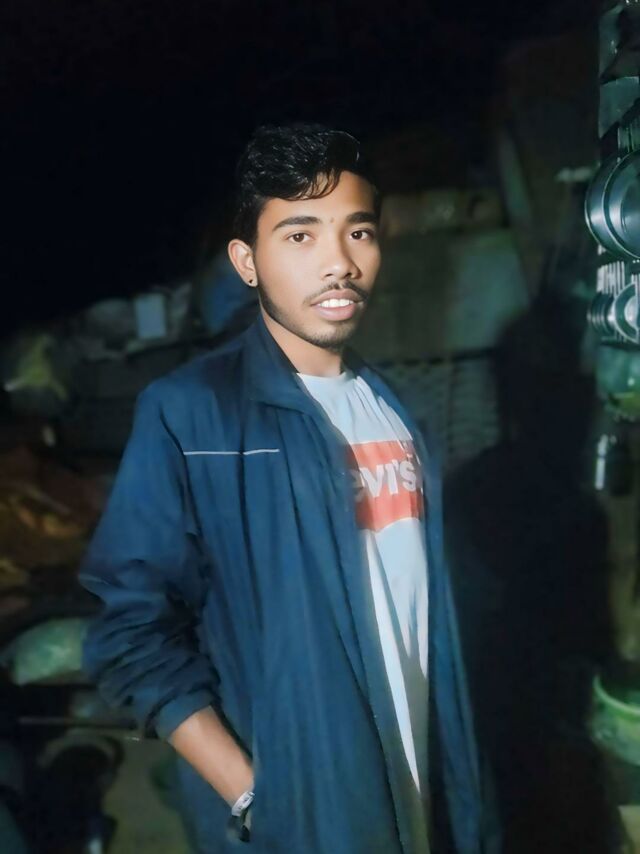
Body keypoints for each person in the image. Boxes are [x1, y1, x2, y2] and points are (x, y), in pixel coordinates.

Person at [80, 124, 497, 853]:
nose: (339, 263)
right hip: (307, 819)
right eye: (300, 236)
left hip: (425, 783)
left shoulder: (393, 410)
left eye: (358, 232)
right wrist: (252, 795)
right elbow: (130, 633)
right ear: (247, 262)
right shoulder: (193, 412)